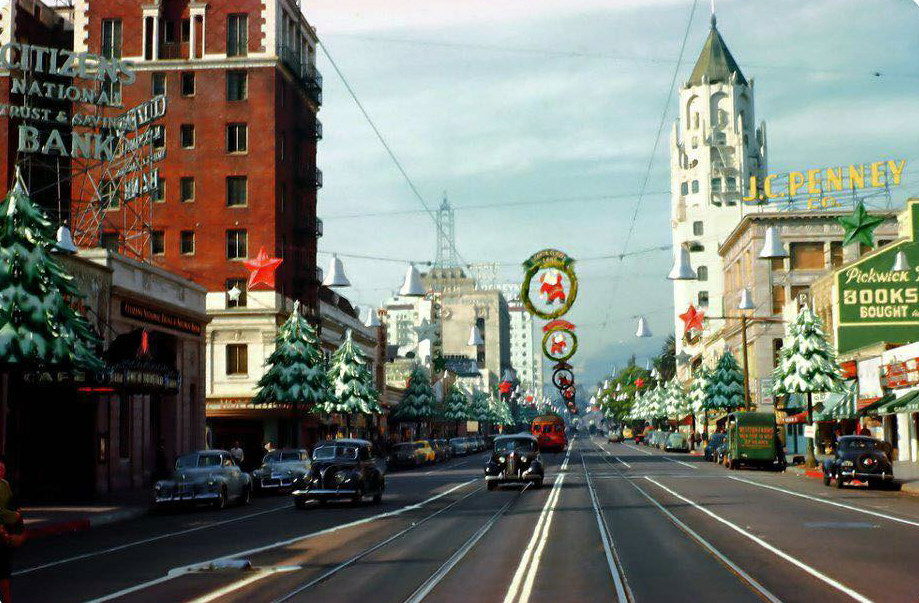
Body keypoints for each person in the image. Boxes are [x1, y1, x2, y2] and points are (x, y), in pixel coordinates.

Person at [0, 458, 24, 603]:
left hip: (4, 535)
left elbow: (11, 504)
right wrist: (14, 515)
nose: (2, 472)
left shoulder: (5, 485)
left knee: (4, 571)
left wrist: (16, 514)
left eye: (2, 470)